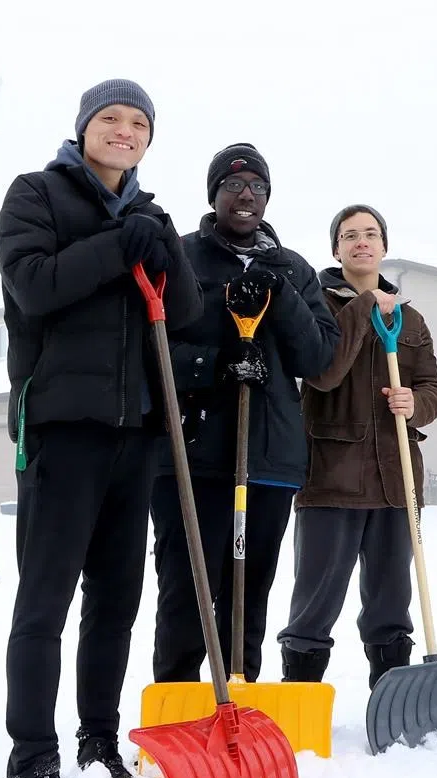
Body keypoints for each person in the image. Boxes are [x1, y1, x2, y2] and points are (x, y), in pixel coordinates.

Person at [0, 78, 202, 778]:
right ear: (83, 128)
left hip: (135, 432)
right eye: (110, 118)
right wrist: (118, 246)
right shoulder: (36, 195)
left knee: (115, 602)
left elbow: (184, 310)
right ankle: (32, 759)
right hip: (62, 427)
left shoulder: (152, 214)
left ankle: (98, 743)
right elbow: (34, 286)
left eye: (138, 122)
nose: (124, 130)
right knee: (45, 600)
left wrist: (160, 245)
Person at [150, 143, 340, 686]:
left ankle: (240, 696)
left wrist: (281, 294)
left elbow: (318, 359)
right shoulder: (182, 257)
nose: (246, 195)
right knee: (187, 589)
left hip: (270, 457)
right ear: (214, 195)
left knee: (249, 590)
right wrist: (215, 364)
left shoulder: (293, 269)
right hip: (193, 455)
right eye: (233, 185)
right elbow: (151, 346)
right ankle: (178, 697)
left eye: (257, 186)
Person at [276, 204, 437, 688]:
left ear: (384, 246)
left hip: (397, 480)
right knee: (315, 599)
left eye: (371, 234)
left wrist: (415, 402)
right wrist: (365, 304)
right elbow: (323, 373)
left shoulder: (410, 319)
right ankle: (302, 694)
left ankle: (391, 697)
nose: (362, 242)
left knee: (391, 601)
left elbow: (434, 386)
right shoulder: (315, 305)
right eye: (350, 235)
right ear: (336, 249)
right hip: (332, 478)